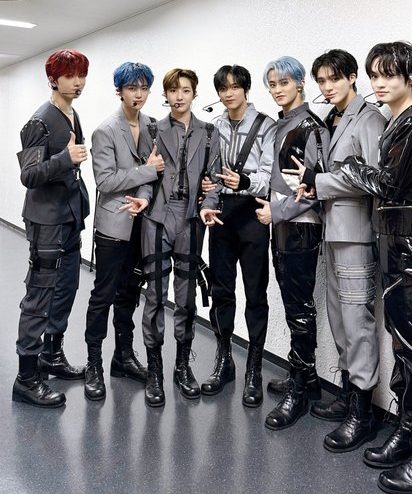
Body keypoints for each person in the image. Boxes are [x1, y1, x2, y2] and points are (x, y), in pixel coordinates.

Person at [340, 41, 412, 493]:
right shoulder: (399, 120)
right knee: (404, 344)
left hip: (409, 246)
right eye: (374, 75)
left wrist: (350, 166)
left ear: (411, 77)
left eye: (389, 74)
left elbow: (387, 184)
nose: (379, 83)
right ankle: (407, 433)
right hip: (397, 242)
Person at [283, 49, 386, 452]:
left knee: (358, 324)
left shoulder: (369, 119)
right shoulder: (333, 120)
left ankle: (363, 414)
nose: (327, 87)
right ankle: (347, 396)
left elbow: (375, 179)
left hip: (357, 235)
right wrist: (312, 185)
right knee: (340, 322)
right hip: (332, 232)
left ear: (352, 77)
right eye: (322, 81)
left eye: (334, 79)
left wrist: (320, 181)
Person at [123, 68, 220, 408]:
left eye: (186, 90)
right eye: (173, 90)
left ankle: (181, 366)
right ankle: (155, 370)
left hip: (191, 221)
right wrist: (143, 198)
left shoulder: (210, 133)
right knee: (154, 296)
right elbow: (148, 175)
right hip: (156, 219)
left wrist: (208, 204)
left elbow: (213, 181)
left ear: (194, 94)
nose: (179, 96)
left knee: (186, 298)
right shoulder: (152, 130)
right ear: (166, 95)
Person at [84, 61, 165, 401]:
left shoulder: (152, 125)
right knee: (103, 294)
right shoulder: (105, 130)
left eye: (144, 88)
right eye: (132, 88)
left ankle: (123, 356)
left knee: (130, 292)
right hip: (113, 223)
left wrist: (145, 190)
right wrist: (147, 171)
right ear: (119, 91)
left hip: (141, 222)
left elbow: (156, 174)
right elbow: (105, 181)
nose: (139, 94)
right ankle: (94, 364)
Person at [13, 49, 90, 408]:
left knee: (67, 288)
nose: (77, 82)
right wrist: (64, 159)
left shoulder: (72, 113)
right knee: (40, 295)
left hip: (70, 217)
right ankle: (26, 378)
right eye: (70, 75)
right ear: (53, 79)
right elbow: (29, 175)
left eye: (81, 75)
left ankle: (51, 355)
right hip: (46, 220)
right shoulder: (39, 122)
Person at [255, 56, 329, 430]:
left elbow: (317, 187)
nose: (277, 90)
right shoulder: (283, 123)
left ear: (300, 83)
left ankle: (298, 392)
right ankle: (308, 378)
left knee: (299, 310)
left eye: (284, 82)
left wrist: (278, 211)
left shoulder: (311, 127)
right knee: (292, 305)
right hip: (283, 225)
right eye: (272, 84)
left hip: (300, 227)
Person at [199, 64, 276, 407]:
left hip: (253, 213)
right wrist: (208, 190)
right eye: (223, 88)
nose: (228, 93)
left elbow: (270, 175)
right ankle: (224, 360)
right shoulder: (215, 127)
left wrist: (244, 182)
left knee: (256, 293)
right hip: (222, 214)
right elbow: (211, 175)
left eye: (234, 87)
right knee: (221, 290)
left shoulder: (266, 125)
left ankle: (254, 369)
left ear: (246, 89)